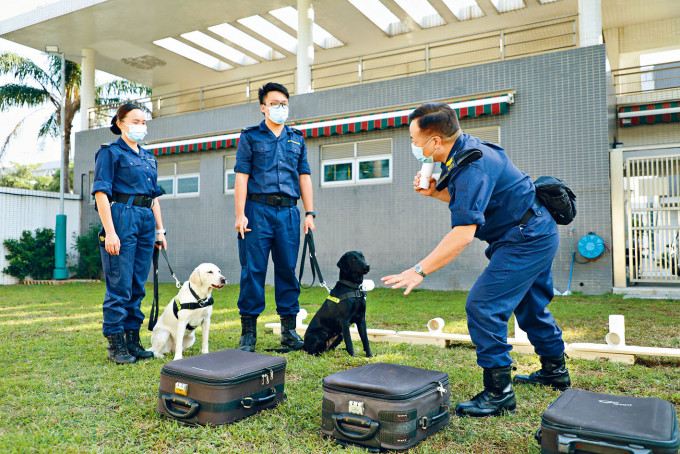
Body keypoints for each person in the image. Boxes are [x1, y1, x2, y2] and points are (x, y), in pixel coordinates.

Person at [382, 102, 570, 417]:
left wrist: (419, 271)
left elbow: (463, 234)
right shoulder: (466, 152)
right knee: (530, 306)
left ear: (435, 142)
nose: (414, 147)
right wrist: (434, 193)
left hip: (525, 237)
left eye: (415, 141)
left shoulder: (471, 166)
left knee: (483, 305)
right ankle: (554, 371)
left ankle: (499, 394)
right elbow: (474, 200)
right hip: (535, 230)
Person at [233, 82, 315, 352]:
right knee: (253, 271)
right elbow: (242, 178)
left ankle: (289, 331)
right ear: (263, 107)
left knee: (287, 270)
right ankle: (248, 335)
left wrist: (309, 213)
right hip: (257, 212)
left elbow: (304, 177)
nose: (281, 108)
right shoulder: (250, 137)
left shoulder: (297, 139)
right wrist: (240, 214)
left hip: (289, 213)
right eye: (275, 103)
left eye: (284, 104)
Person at [92, 103, 166, 365]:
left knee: (137, 284)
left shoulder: (149, 157)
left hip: (146, 219)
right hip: (122, 216)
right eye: (135, 121)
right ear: (120, 123)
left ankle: (133, 341)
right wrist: (110, 232)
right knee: (120, 284)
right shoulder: (110, 153)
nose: (141, 126)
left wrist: (160, 229)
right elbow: (101, 193)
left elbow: (154, 197)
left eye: (144, 122)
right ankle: (116, 344)